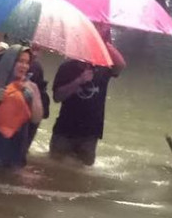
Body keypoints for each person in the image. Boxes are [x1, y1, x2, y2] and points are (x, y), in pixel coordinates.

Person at [49, 38, 127, 166]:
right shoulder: (66, 67)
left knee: (84, 170)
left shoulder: (103, 68)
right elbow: (57, 97)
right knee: (55, 166)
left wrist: (104, 42)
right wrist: (79, 80)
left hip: (90, 133)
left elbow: (121, 65)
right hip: (64, 129)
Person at [0, 47, 43, 169]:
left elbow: (36, 119)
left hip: (16, 147)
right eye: (20, 61)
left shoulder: (31, 87)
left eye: (27, 63)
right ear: (9, 61)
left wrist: (34, 95)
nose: (24, 66)